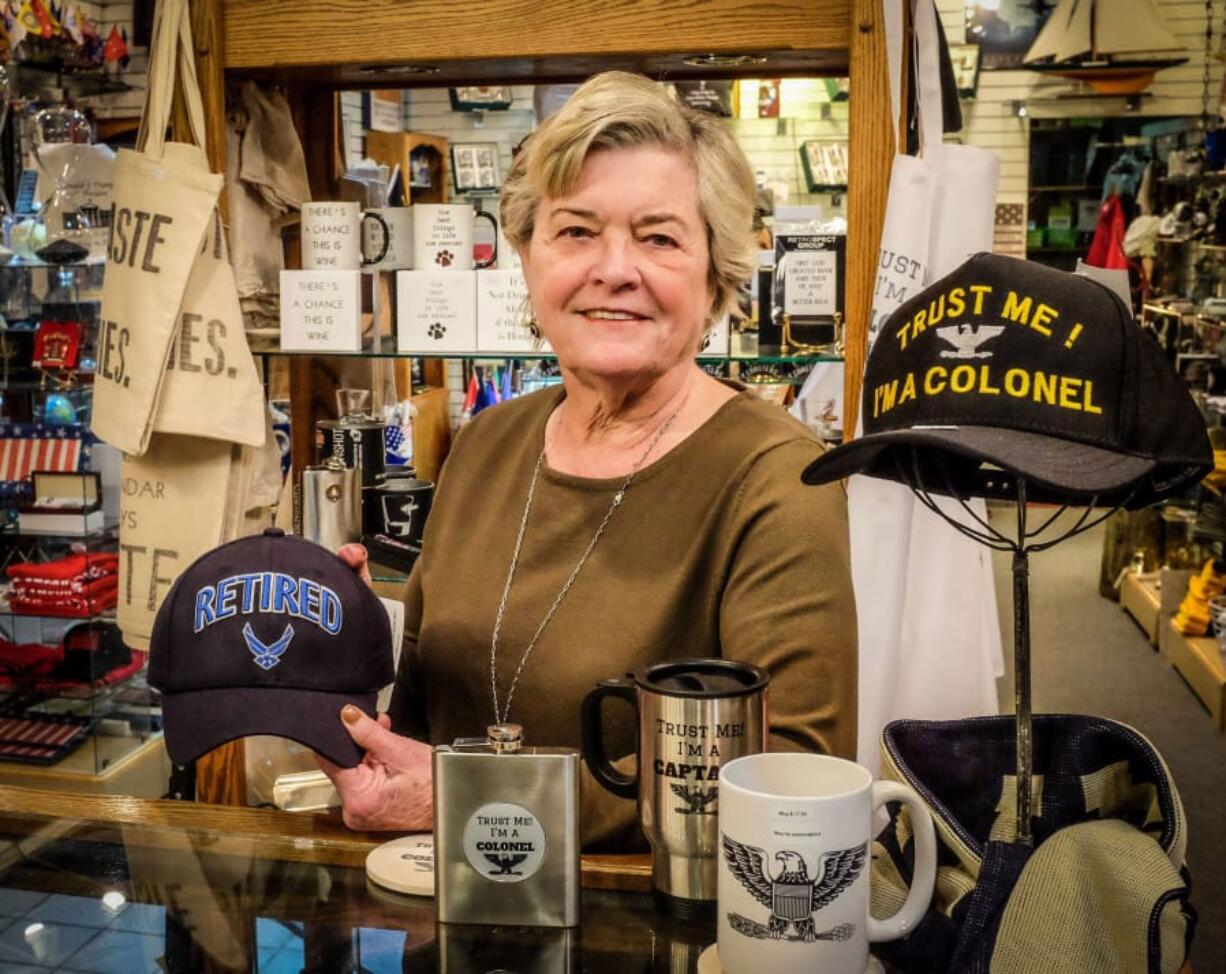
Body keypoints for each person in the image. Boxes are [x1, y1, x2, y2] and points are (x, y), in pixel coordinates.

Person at [318, 71, 856, 850]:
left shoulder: (779, 479)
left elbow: (791, 767)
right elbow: (440, 690)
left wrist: (477, 800)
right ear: (530, 260)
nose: (614, 268)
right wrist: (350, 641)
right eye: (575, 231)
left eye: (659, 236)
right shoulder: (490, 443)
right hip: (449, 912)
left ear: (716, 276)